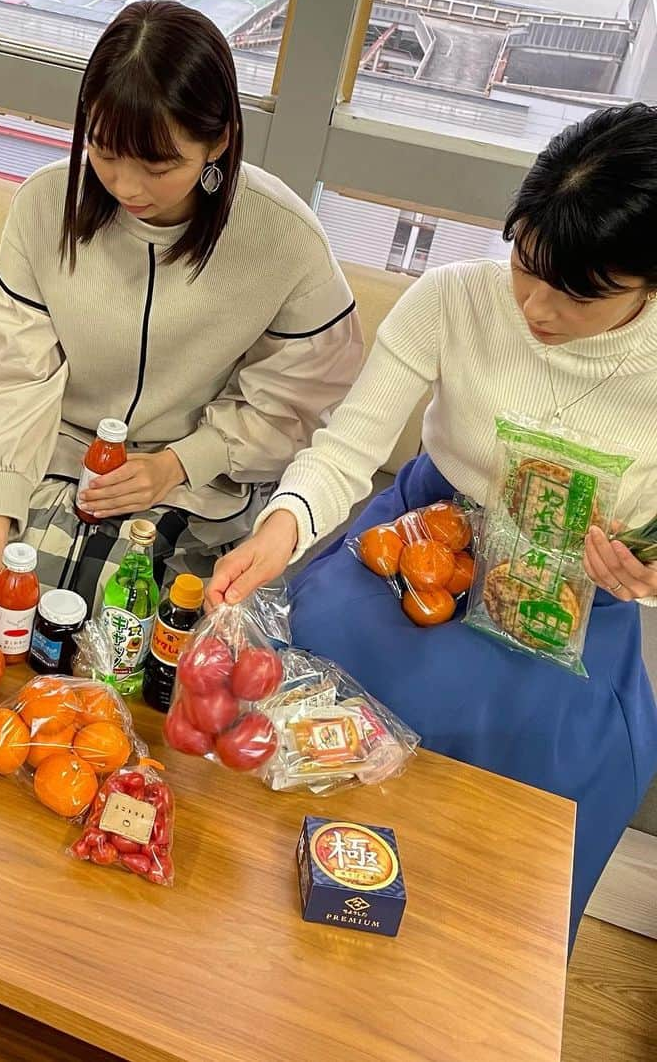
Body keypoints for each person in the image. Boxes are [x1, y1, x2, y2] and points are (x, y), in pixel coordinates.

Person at [209, 103, 657, 946]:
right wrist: (281, 530)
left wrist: (649, 568)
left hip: (569, 599)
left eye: (577, 291)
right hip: (420, 544)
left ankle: (460, 959)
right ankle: (279, 902)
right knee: (322, 637)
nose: (534, 303)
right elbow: (347, 449)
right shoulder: (456, 298)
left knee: (554, 743)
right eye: (526, 261)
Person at [0, 1, 362, 611]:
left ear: (219, 140)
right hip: (54, 454)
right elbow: (21, 378)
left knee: (140, 622)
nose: (126, 187)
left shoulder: (282, 237)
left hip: (200, 477)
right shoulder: (47, 205)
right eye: (103, 151)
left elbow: (303, 397)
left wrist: (179, 464)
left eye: (158, 166)